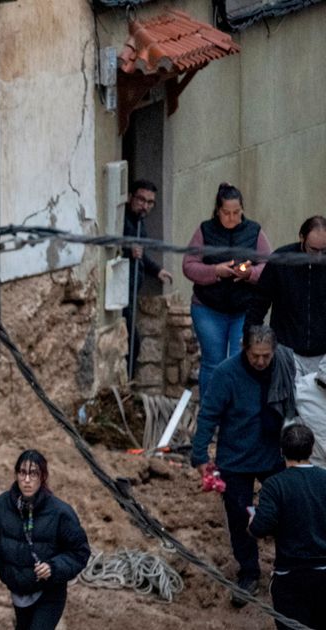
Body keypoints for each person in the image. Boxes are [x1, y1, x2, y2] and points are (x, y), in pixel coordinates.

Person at [191, 325, 294, 605]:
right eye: (255, 356)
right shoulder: (226, 374)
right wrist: (199, 455)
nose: (261, 362)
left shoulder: (283, 366)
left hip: (273, 453)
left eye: (266, 356)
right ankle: (249, 572)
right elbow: (209, 413)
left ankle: (286, 569)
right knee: (239, 517)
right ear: (244, 350)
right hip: (235, 457)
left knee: (285, 512)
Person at [0, 450, 90, 630]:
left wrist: (53, 567)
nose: (27, 479)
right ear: (16, 474)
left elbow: (79, 552)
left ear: (43, 477)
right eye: (22, 473)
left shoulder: (60, 512)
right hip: (18, 591)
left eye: (33, 473)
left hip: (49, 593)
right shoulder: (2, 505)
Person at [182, 182, 273, 393]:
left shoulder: (254, 231)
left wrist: (250, 273)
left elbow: (269, 265)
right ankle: (210, 414)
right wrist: (215, 271)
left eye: (236, 212)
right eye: (226, 213)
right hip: (208, 308)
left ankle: (234, 413)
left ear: (242, 210)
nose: (232, 218)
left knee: (237, 361)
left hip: (243, 308)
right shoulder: (205, 230)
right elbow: (188, 265)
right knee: (213, 363)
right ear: (217, 211)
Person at [248, 424, 326, 629]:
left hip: (291, 577)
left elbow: (259, 527)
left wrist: (252, 521)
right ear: (311, 449)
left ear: (281, 450)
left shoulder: (275, 485)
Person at [247, 215, 326, 377]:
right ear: (302, 238)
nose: (318, 256)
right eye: (313, 250)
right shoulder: (281, 260)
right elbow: (259, 302)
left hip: (323, 354)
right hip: (286, 350)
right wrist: (249, 337)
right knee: (285, 399)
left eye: (323, 251)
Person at [122, 179, 174, 377]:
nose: (145, 206)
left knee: (134, 343)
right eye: (141, 200)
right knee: (131, 343)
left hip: (132, 291)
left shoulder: (138, 221)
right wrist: (127, 250)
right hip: (121, 293)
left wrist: (156, 270)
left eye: (150, 202)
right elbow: (114, 248)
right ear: (129, 197)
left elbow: (140, 252)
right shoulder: (124, 221)